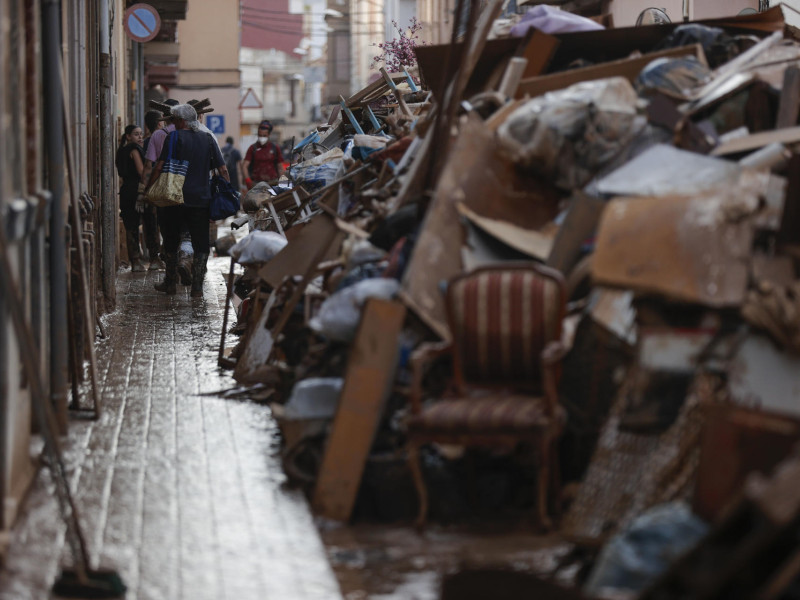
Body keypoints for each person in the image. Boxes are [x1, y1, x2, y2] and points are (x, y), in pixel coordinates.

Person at [146, 104, 230, 297]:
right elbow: (222, 169)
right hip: (201, 200)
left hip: (173, 198)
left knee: (171, 241)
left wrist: (150, 189)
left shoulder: (173, 137)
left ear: (182, 121)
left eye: (174, 119)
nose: (173, 123)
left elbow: (159, 166)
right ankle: (197, 288)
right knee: (201, 244)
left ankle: (170, 283)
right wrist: (225, 190)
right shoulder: (208, 139)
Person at [115, 124, 149, 272]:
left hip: (125, 190)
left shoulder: (121, 150)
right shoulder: (134, 150)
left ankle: (135, 260)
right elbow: (142, 171)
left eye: (141, 134)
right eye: (136, 134)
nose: (140, 137)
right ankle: (136, 261)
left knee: (130, 225)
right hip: (135, 190)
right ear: (128, 136)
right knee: (135, 225)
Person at [242, 120, 285, 188]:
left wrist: (283, 183)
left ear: (269, 135)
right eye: (260, 135)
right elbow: (245, 166)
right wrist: (247, 180)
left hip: (273, 183)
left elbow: (280, 167)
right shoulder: (252, 148)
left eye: (264, 135)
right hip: (257, 184)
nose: (262, 137)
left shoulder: (275, 148)